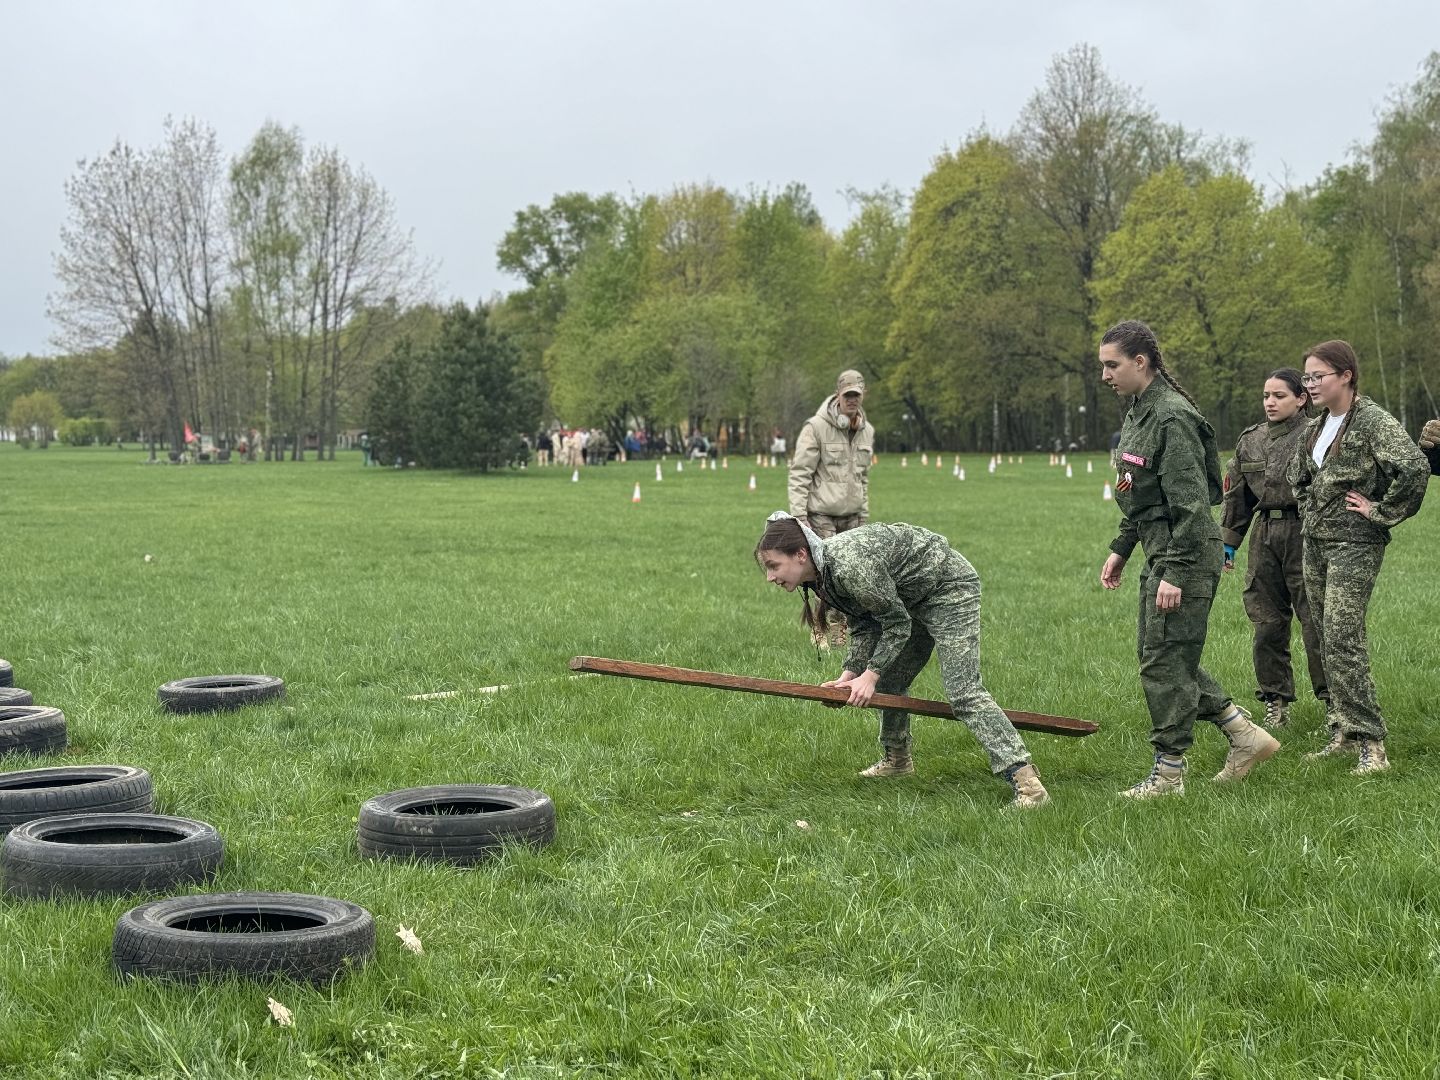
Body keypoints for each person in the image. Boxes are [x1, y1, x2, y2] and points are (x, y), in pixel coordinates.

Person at [755, 511, 1049, 809]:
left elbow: (895, 623)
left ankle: (1028, 783)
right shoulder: (823, 576)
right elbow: (865, 623)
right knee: (891, 682)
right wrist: (850, 674)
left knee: (964, 692)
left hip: (948, 589)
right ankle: (897, 761)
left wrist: (870, 675)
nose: (770, 577)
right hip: (908, 599)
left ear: (801, 554)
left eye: (773, 566)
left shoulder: (848, 566)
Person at [1098, 320, 1279, 798]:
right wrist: (1122, 547)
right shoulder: (1140, 411)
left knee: (1164, 663)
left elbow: (1192, 504)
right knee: (1161, 656)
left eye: (1112, 365)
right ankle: (1244, 735)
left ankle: (1169, 774)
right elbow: (1140, 494)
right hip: (1161, 549)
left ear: (1141, 362)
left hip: (1185, 556)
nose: (1105, 375)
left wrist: (1176, 571)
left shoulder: (1172, 417)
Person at [1287, 340, 1429, 773]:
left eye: (1318, 376)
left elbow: (1414, 467)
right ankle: (1344, 732)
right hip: (1315, 542)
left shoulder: (1372, 421)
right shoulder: (1317, 426)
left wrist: (1380, 512)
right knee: (1322, 635)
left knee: (1345, 636)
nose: (1310, 384)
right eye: (1307, 377)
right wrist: (1311, 505)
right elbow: (1300, 475)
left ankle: (1371, 744)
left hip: (1355, 542)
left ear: (1345, 375)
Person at [1219, 369, 1327, 728]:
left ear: (1301, 398)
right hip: (1263, 535)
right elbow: (1237, 495)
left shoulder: (1317, 435)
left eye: (1279, 395)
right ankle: (1275, 702)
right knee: (1266, 623)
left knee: (1317, 623)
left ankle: (1334, 706)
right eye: (1266, 395)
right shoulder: (1250, 440)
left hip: (1306, 532)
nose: (1270, 402)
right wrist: (1228, 544)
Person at [788, 369, 875, 538]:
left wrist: (863, 516)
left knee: (854, 565)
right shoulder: (815, 427)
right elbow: (800, 473)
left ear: (864, 395)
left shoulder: (867, 431)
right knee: (827, 565)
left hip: (853, 519)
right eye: (847, 395)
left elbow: (862, 478)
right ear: (837, 395)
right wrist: (799, 516)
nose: (852, 400)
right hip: (821, 518)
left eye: (856, 395)